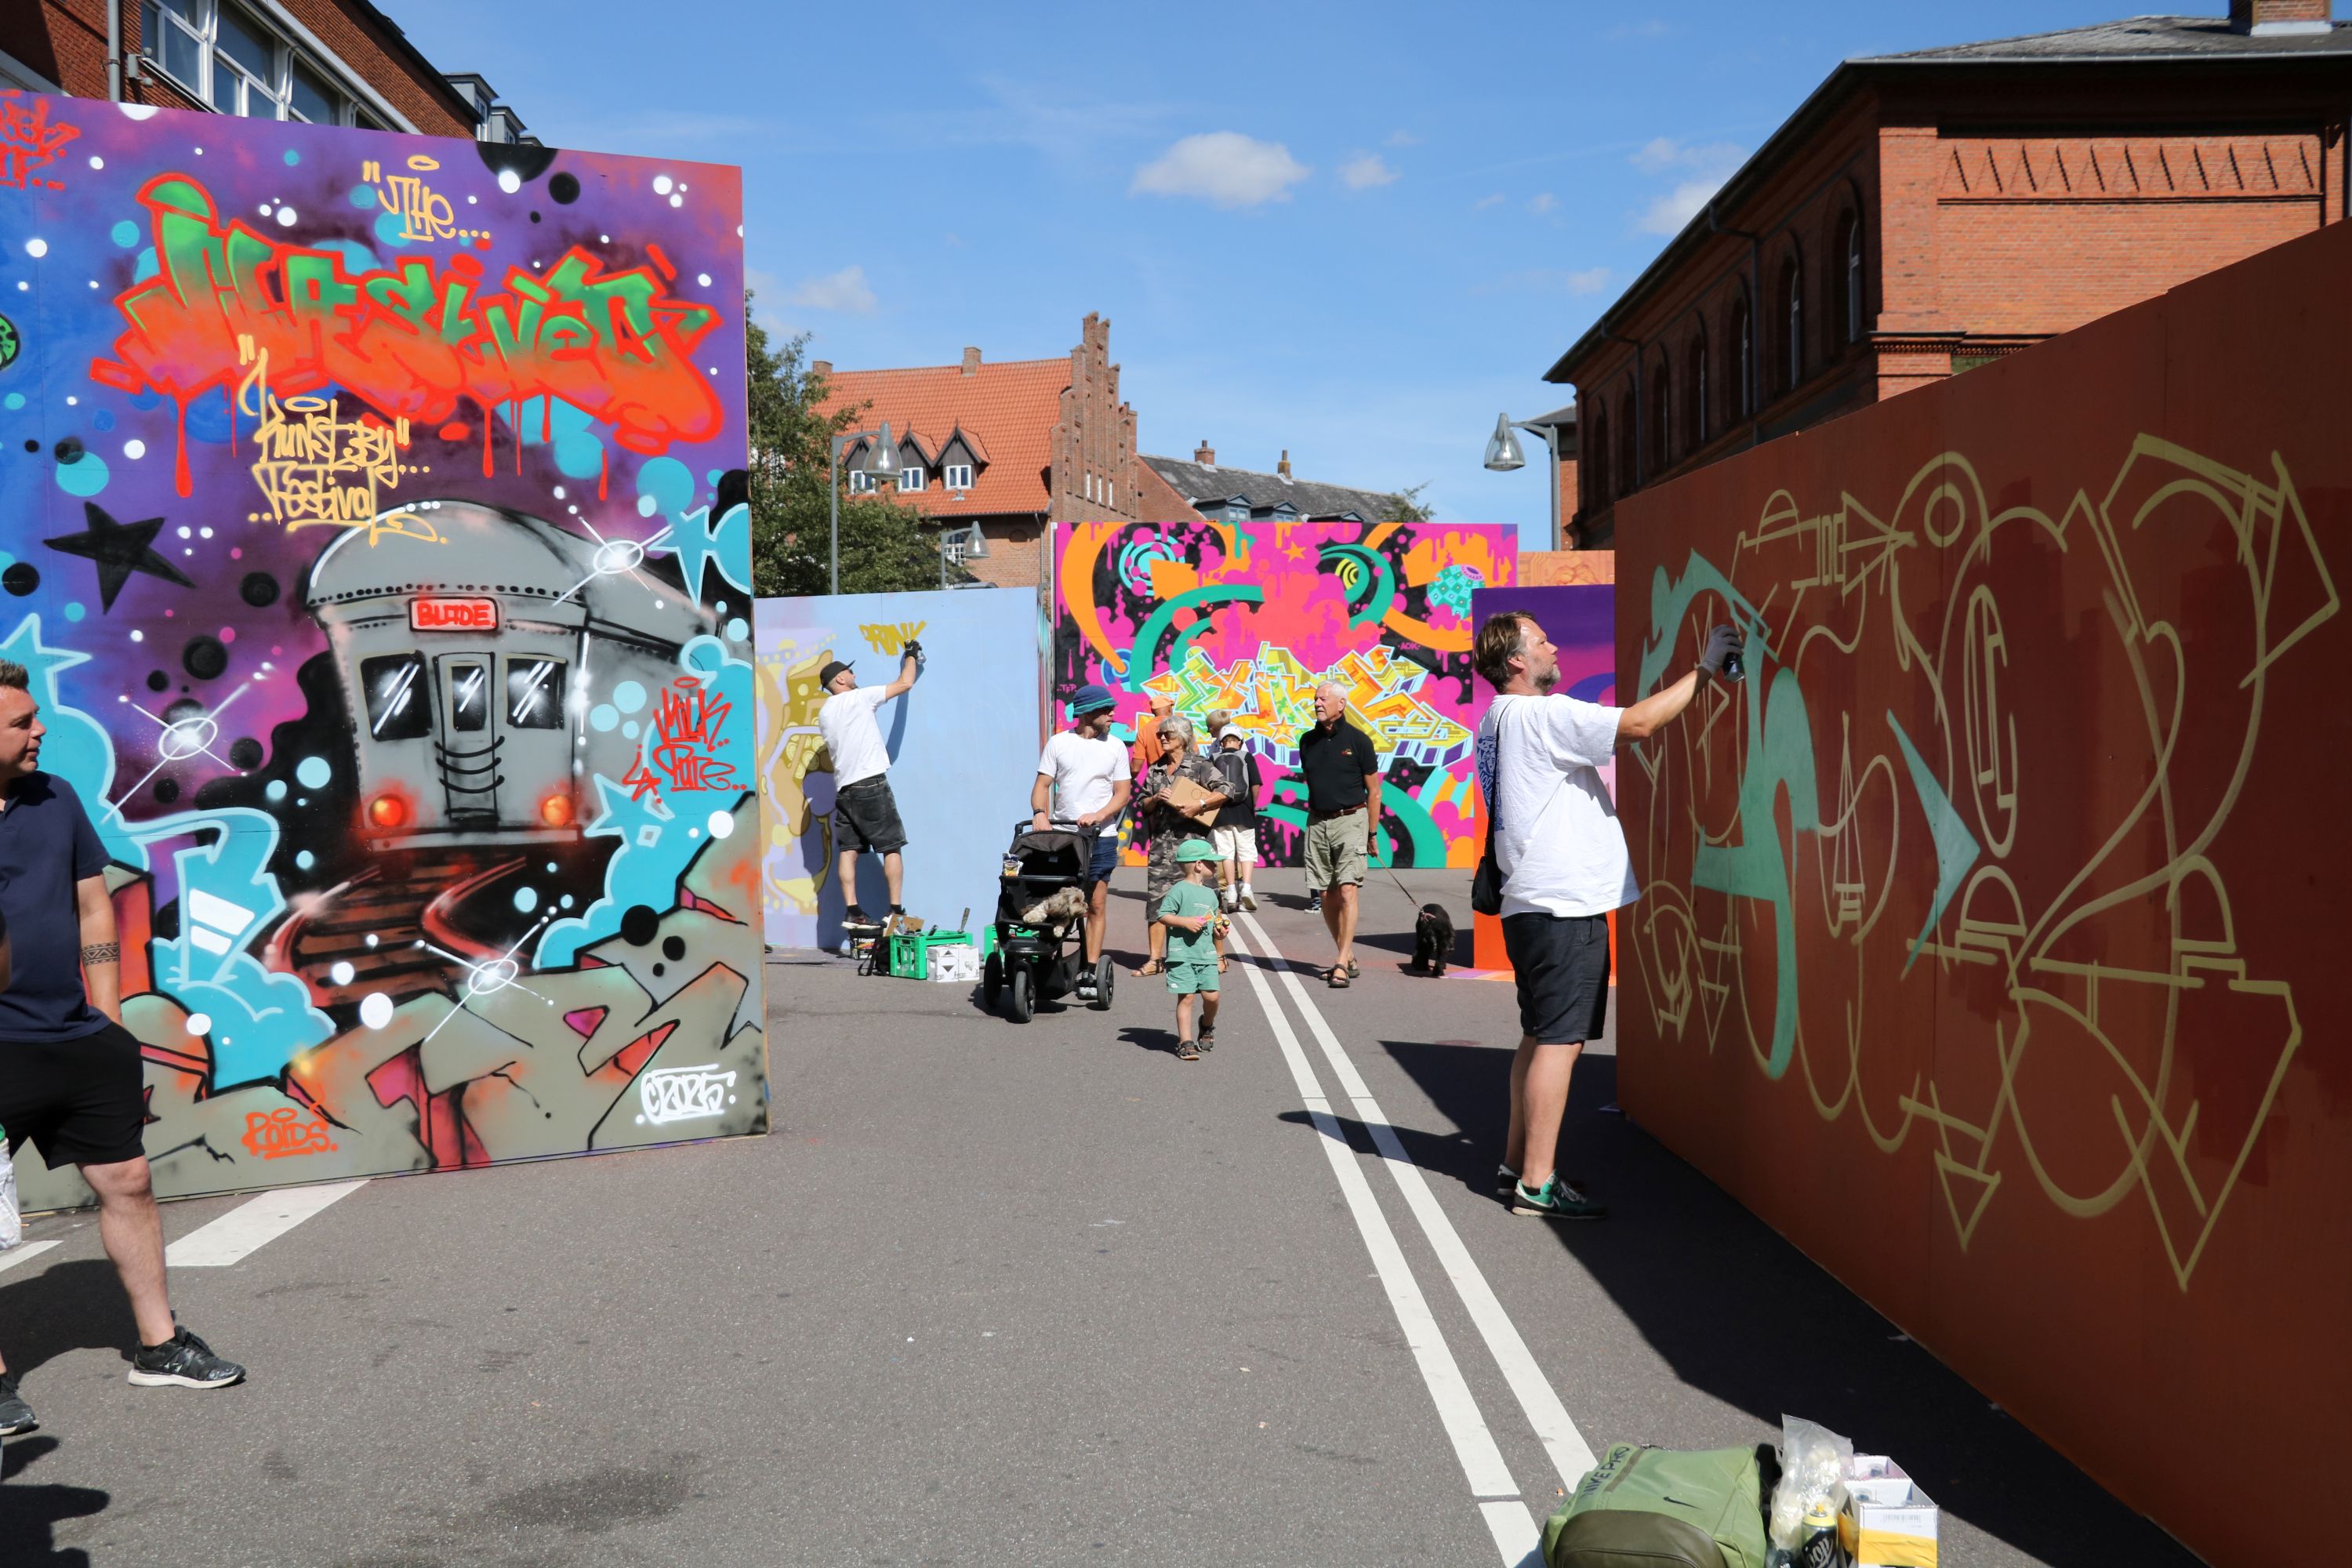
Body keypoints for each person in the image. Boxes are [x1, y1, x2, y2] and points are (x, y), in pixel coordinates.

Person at [0, 659, 245, 1440]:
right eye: (20, 720)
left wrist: (107, 1017)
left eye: (35, 715)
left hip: (76, 1037)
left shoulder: (56, 797)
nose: (39, 729)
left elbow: (92, 902)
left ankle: (159, 1343)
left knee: (130, 1180)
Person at [1473, 611, 1740, 1221]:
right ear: (1517, 660)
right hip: (1563, 903)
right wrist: (1705, 667)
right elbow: (1640, 723)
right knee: (1561, 1043)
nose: (1554, 643)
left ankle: (1517, 1165)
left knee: (1540, 1035)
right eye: (1542, 640)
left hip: (1529, 902)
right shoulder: (1543, 714)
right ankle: (1537, 1185)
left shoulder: (1496, 719)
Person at [1032, 683, 1133, 991]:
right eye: (1107, 710)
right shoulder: (1059, 744)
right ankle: (1050, 962)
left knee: (1096, 905)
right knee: (1057, 902)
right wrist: (1039, 812)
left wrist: (1100, 816)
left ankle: (1089, 969)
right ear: (1088, 712)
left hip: (1101, 837)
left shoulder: (1115, 746)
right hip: (1064, 837)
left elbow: (1123, 793)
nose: (1113, 714)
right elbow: (1042, 784)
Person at [817, 643, 921, 927]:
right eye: (849, 671)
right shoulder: (859, 698)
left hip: (844, 790)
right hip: (870, 783)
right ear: (840, 679)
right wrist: (912, 654)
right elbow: (906, 682)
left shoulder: (824, 713)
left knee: (849, 850)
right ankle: (896, 910)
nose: (853, 674)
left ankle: (853, 911)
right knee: (892, 846)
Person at [1296, 682, 1381, 987]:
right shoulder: (1306, 741)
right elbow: (1314, 781)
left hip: (1351, 820)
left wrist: (1371, 832)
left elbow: (1374, 791)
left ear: (1341, 703)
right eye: (1315, 699)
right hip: (1317, 822)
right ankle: (1347, 954)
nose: (1317, 703)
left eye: (1323, 698)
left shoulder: (1359, 741)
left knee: (1347, 890)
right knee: (1325, 893)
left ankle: (1341, 963)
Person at [1134, 714, 1227, 978]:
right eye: (1160, 735)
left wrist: (1200, 804)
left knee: (1210, 901)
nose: (1162, 738)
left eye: (1168, 735)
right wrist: (1156, 798)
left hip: (1196, 847)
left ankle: (1219, 955)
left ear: (1183, 738)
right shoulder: (1155, 769)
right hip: (1163, 848)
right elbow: (1142, 805)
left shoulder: (1200, 766)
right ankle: (1155, 959)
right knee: (1156, 903)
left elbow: (1227, 789)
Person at [1157, 840, 1228, 1062]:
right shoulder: (1179, 890)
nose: (1216, 867)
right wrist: (1185, 922)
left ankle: (1206, 1025)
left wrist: (1220, 934)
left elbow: (1215, 921)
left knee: (1212, 997)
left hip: (1205, 956)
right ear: (1198, 865)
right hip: (1182, 955)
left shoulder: (1210, 894)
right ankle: (1185, 1042)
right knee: (1186, 998)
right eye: (1212, 863)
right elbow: (1163, 915)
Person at [1204, 712, 1262, 913]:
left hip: (1221, 811)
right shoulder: (1247, 756)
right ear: (1239, 741)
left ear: (1221, 742)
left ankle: (1230, 891)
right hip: (1244, 810)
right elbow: (1255, 784)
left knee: (1226, 852)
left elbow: (1208, 785)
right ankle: (1246, 887)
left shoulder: (1212, 757)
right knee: (1246, 850)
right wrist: (1253, 804)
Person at [1129, 691, 1175, 777]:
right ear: (1169, 709)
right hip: (1182, 778)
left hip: (1158, 780)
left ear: (1152, 711)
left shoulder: (1144, 731)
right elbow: (1195, 753)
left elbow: (1135, 768)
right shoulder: (1181, 726)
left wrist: (1127, 782)